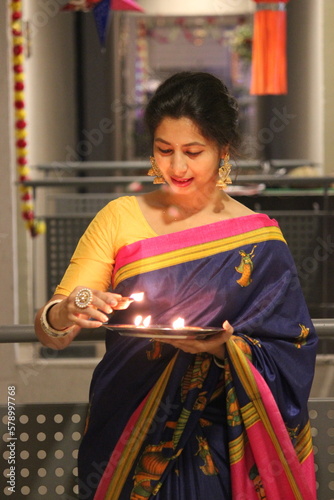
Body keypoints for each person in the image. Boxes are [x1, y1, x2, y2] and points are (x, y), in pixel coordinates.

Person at [35, 72, 318, 500]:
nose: (177, 167)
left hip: (223, 438)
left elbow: (291, 344)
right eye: (164, 150)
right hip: (128, 426)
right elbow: (51, 332)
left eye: (193, 152)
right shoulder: (119, 217)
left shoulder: (259, 238)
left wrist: (228, 349)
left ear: (223, 150)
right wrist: (70, 307)